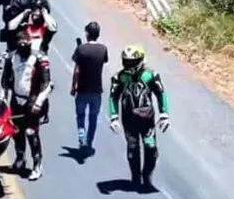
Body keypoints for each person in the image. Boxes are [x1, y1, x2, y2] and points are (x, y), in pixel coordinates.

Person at [108, 45, 170, 190]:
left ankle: (147, 174)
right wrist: (114, 117)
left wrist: (164, 114)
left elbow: (161, 93)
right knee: (132, 149)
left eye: (132, 61)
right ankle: (135, 176)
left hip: (147, 120)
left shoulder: (151, 75)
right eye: (127, 61)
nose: (129, 64)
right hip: (129, 120)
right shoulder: (119, 77)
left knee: (151, 148)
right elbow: (113, 97)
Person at [2, 30, 53, 181]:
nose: (23, 45)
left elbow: (48, 84)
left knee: (31, 133)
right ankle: (20, 159)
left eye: (25, 42)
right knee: (16, 131)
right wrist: (5, 99)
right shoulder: (11, 58)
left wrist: (39, 102)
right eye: (20, 43)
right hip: (16, 100)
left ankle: (37, 165)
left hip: (33, 101)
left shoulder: (39, 58)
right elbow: (5, 81)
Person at [71, 21, 108, 153]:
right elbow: (103, 62)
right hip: (96, 90)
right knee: (93, 118)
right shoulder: (103, 49)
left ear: (87, 33)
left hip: (82, 89)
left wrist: (73, 87)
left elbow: (77, 71)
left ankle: (82, 136)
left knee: (80, 115)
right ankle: (90, 141)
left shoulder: (81, 49)